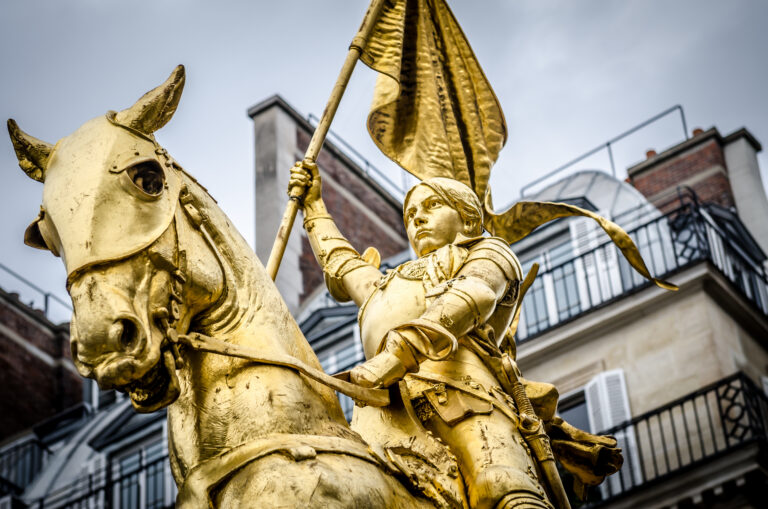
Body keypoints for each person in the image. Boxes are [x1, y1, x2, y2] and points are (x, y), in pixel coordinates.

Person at [289, 162, 603, 508]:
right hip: (382, 414)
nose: (417, 219)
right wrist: (314, 206)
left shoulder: (488, 252)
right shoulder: (388, 282)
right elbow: (341, 261)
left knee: (501, 486)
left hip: (465, 398)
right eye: (409, 215)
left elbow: (473, 296)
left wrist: (398, 354)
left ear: (467, 219)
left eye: (431, 206)